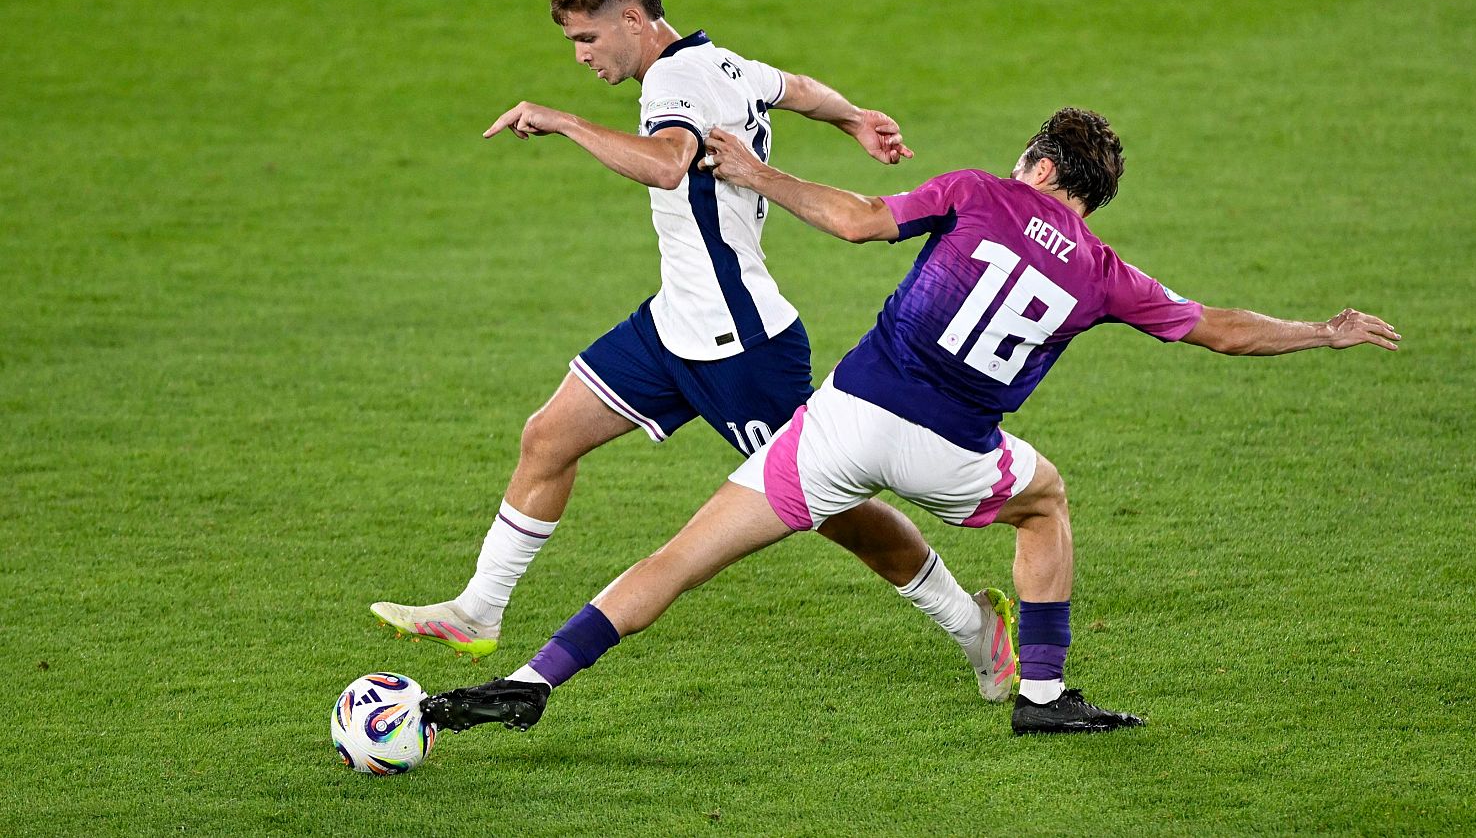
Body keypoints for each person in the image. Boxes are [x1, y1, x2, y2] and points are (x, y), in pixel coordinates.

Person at [419, 105, 1403, 735]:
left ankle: (534, 682)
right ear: (1091, 196)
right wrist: (1321, 332)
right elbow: (1218, 330)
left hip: (840, 425)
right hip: (953, 456)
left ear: (1037, 162)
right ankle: (1044, 696)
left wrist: (759, 178)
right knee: (1045, 501)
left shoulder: (979, 192)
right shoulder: (1105, 273)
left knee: (678, 558)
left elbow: (854, 221)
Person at [370, 0, 1020, 704]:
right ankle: (477, 610)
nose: (580, 55)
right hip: (675, 323)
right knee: (547, 437)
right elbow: (799, 87)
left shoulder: (673, 79)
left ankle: (974, 626)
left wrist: (564, 122)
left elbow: (668, 161)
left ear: (635, 19)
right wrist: (854, 119)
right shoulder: (722, 63)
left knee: (835, 510)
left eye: (587, 37)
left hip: (740, 346)